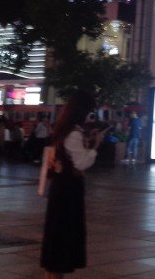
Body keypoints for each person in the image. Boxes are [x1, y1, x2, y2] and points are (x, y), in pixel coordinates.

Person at [40, 89, 109, 278]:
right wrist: (96, 145)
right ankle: (55, 274)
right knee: (64, 234)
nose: (89, 115)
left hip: (60, 189)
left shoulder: (64, 129)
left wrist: (88, 140)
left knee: (57, 234)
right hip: (69, 192)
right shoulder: (74, 134)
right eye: (88, 111)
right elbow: (82, 163)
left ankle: (51, 273)